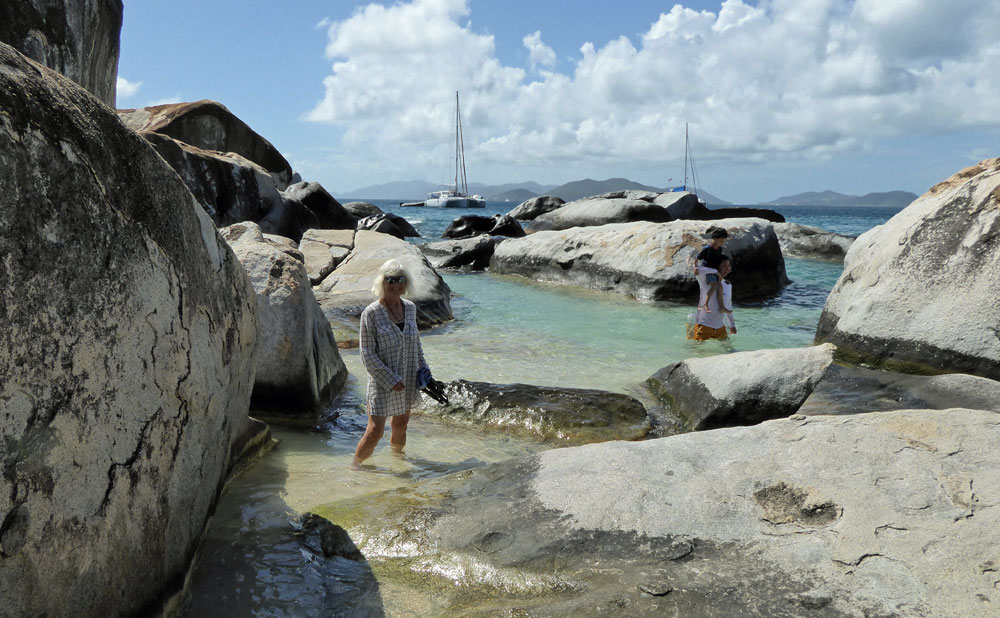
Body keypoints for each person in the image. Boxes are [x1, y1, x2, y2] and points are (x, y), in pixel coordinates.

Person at [352, 259, 430, 469]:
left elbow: (416, 343)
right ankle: (356, 467)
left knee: (401, 424)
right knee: (375, 431)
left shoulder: (411, 309)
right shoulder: (371, 313)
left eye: (400, 280)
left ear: (407, 283)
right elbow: (367, 354)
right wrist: (391, 379)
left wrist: (425, 370)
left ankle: (397, 461)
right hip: (382, 380)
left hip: (408, 378)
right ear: (382, 282)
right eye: (390, 280)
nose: (396, 285)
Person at [688, 256, 737, 341]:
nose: (727, 269)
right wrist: (715, 272)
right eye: (724, 266)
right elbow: (697, 269)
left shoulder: (727, 285)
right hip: (703, 326)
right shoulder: (705, 281)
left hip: (720, 328)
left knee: (728, 349)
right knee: (696, 352)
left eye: (729, 266)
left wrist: (732, 325)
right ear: (717, 267)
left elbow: (728, 306)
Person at [694, 227, 731, 313]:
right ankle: (705, 304)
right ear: (715, 239)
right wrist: (695, 266)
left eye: (724, 241)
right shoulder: (707, 249)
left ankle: (721, 307)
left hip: (714, 271)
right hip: (708, 271)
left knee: (720, 286)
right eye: (721, 241)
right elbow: (697, 258)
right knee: (714, 286)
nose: (723, 243)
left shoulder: (719, 249)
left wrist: (721, 273)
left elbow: (718, 261)